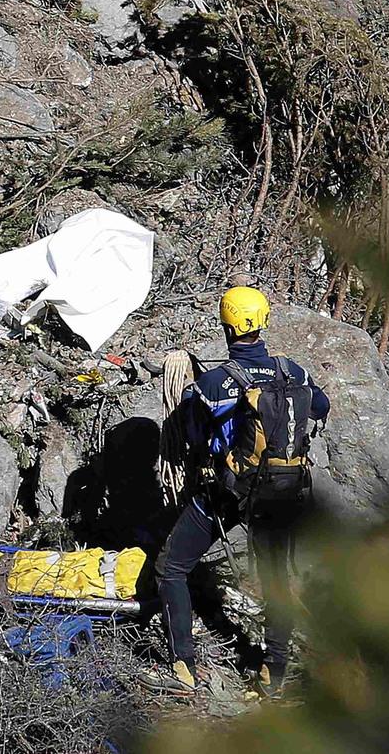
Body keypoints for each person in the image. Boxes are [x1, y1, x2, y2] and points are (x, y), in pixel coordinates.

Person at [138, 286, 331, 698]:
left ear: (226, 326)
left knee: (172, 567)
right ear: (262, 322)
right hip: (282, 490)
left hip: (226, 492)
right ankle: (273, 674)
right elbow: (321, 407)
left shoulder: (214, 382)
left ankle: (183, 670)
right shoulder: (292, 371)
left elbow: (192, 436)